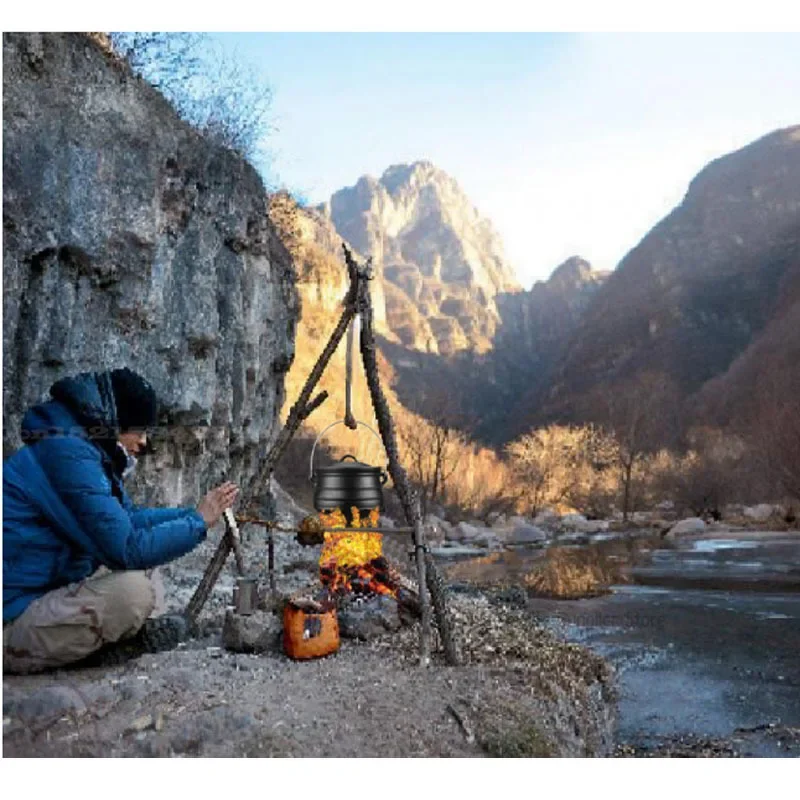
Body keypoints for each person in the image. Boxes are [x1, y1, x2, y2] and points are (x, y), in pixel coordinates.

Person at [3, 368, 239, 674]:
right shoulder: (68, 456)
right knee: (133, 592)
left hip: (40, 592)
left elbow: (127, 519)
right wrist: (197, 522)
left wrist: (193, 514)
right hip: (12, 616)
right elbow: (127, 548)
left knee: (149, 563)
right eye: (139, 431)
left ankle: (131, 638)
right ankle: (112, 646)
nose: (142, 442)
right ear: (115, 424)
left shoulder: (78, 449)